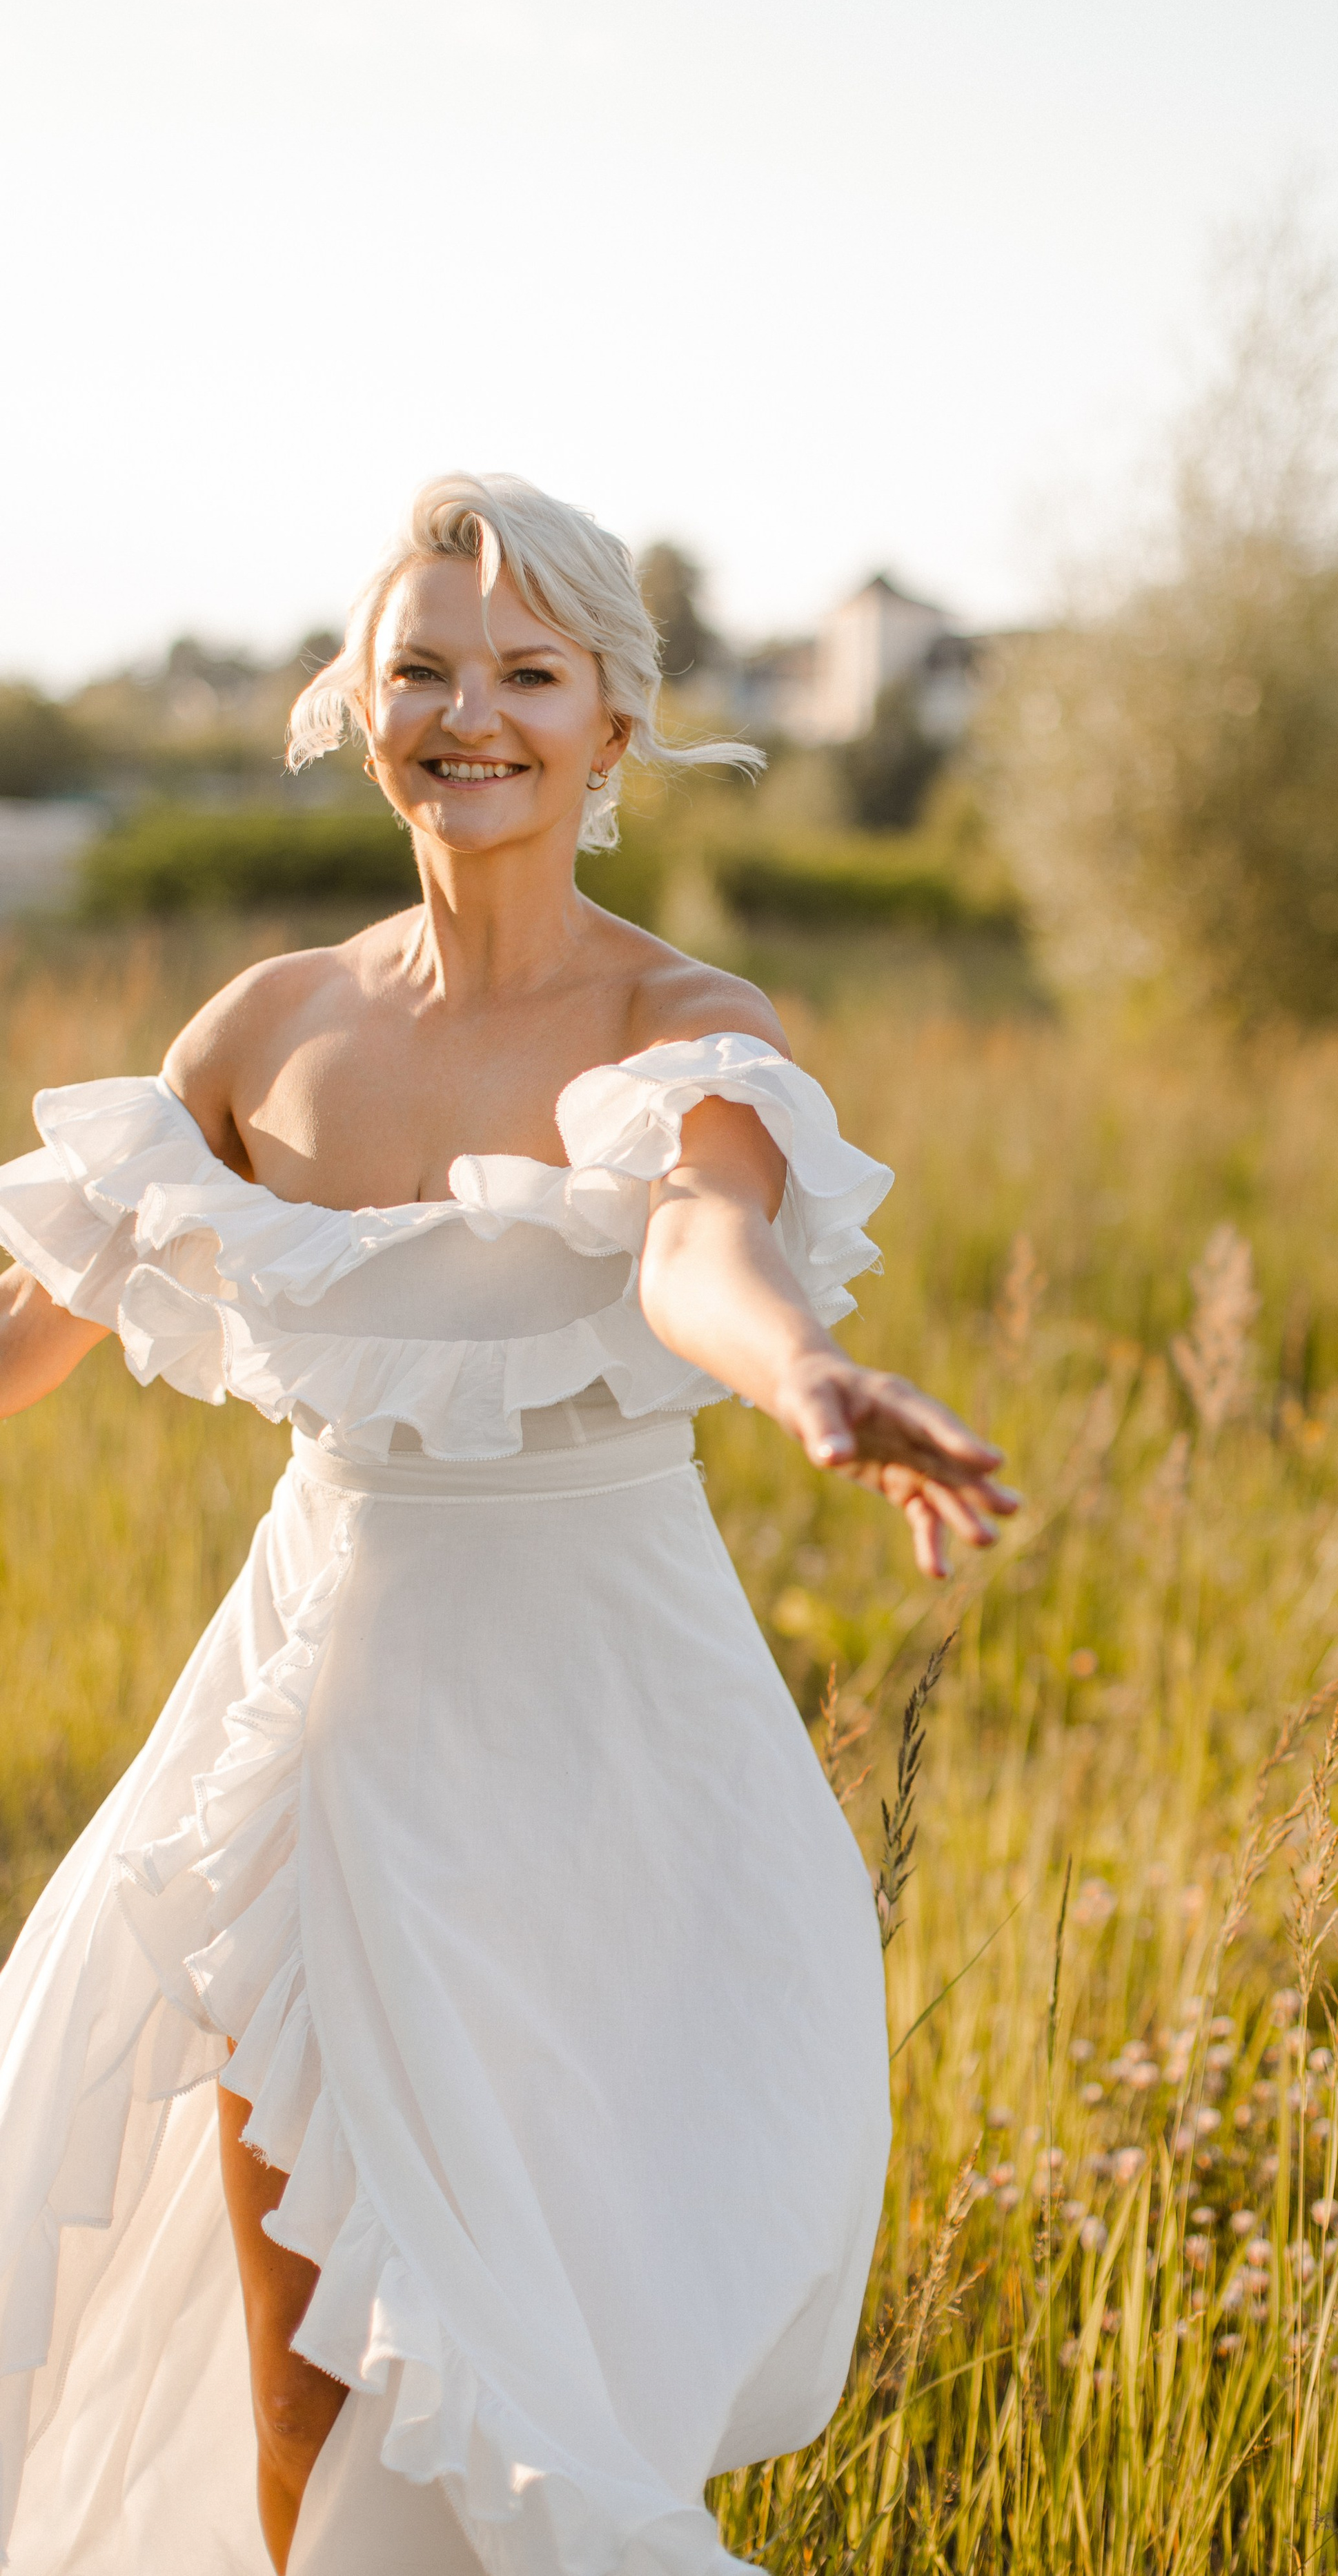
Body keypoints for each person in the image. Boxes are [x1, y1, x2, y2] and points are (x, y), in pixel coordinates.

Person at [0, 476, 1015, 2575]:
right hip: (321, 1760)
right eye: (426, 671)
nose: (473, 716)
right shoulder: (264, 1029)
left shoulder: (680, 1026)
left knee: (564, 2369)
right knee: (311, 2376)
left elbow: (699, 1244)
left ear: (612, 724)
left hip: (614, 1768)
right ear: (357, 707)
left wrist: (804, 1375)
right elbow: (32, 1333)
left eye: (529, 674)